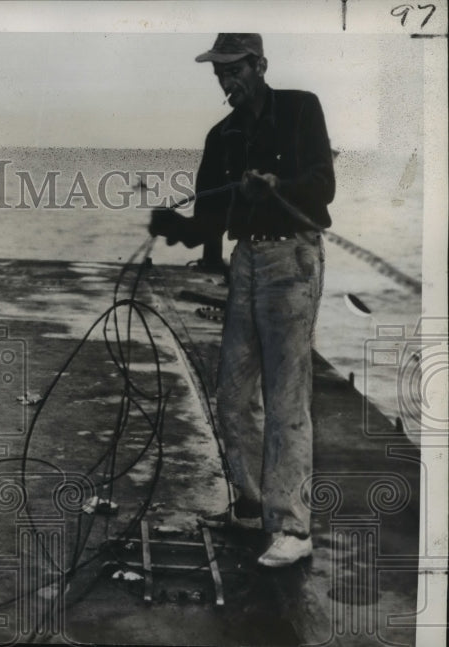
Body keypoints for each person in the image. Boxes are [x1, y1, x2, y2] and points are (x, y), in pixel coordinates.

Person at [149, 33, 334, 567]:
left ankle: (293, 528)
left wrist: (279, 183)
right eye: (219, 73)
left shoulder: (301, 109)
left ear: (260, 66)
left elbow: (322, 186)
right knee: (232, 397)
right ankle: (253, 505)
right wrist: (175, 228)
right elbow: (212, 221)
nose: (227, 80)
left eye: (235, 70)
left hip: (293, 259)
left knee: (286, 400)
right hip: (246, 262)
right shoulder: (222, 135)